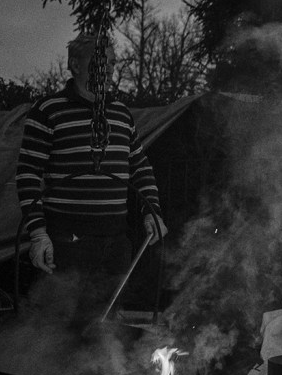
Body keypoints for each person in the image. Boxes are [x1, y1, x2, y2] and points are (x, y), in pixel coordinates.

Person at [16, 31, 168, 329]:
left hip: (115, 241)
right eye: (100, 61)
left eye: (112, 63)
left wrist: (152, 211)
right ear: (75, 64)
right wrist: (38, 233)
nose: (109, 69)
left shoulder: (120, 114)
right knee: (61, 326)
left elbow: (140, 166)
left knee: (106, 329)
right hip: (67, 241)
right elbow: (28, 173)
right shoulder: (48, 111)